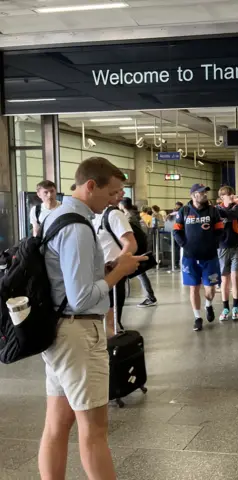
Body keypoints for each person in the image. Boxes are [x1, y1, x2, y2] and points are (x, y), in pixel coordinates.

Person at [39, 157, 144, 480]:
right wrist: (120, 273)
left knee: (57, 424)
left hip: (57, 332)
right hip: (79, 334)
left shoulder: (56, 216)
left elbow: (68, 280)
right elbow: (82, 297)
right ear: (90, 186)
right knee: (94, 430)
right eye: (112, 193)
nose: (116, 200)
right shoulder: (77, 226)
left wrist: (105, 271)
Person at [173, 184, 224, 332]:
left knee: (210, 288)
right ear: (193, 195)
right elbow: (176, 231)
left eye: (205, 192)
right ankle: (197, 317)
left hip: (210, 257)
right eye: (202, 193)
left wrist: (213, 242)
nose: (205, 195)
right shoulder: (184, 211)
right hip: (190, 258)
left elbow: (220, 229)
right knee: (193, 288)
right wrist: (185, 245)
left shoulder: (213, 211)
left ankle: (208, 305)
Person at [93, 188, 138, 335]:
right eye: (117, 190)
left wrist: (116, 264)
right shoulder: (91, 215)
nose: (122, 194)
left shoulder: (114, 214)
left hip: (112, 273)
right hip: (97, 273)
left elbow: (131, 244)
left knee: (110, 322)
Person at [119, 197, 158, 308]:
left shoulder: (129, 218)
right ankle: (149, 296)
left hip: (136, 249)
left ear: (122, 205)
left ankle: (150, 297)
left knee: (140, 273)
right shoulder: (136, 215)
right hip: (139, 247)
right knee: (140, 273)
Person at [217, 186, 238, 322]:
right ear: (222, 197)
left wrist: (225, 209)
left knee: (235, 277)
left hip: (237, 246)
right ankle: (225, 307)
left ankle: (235, 307)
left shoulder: (237, 207)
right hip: (222, 247)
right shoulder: (217, 210)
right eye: (229, 195)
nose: (232, 196)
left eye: (233, 194)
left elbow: (233, 215)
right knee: (225, 279)